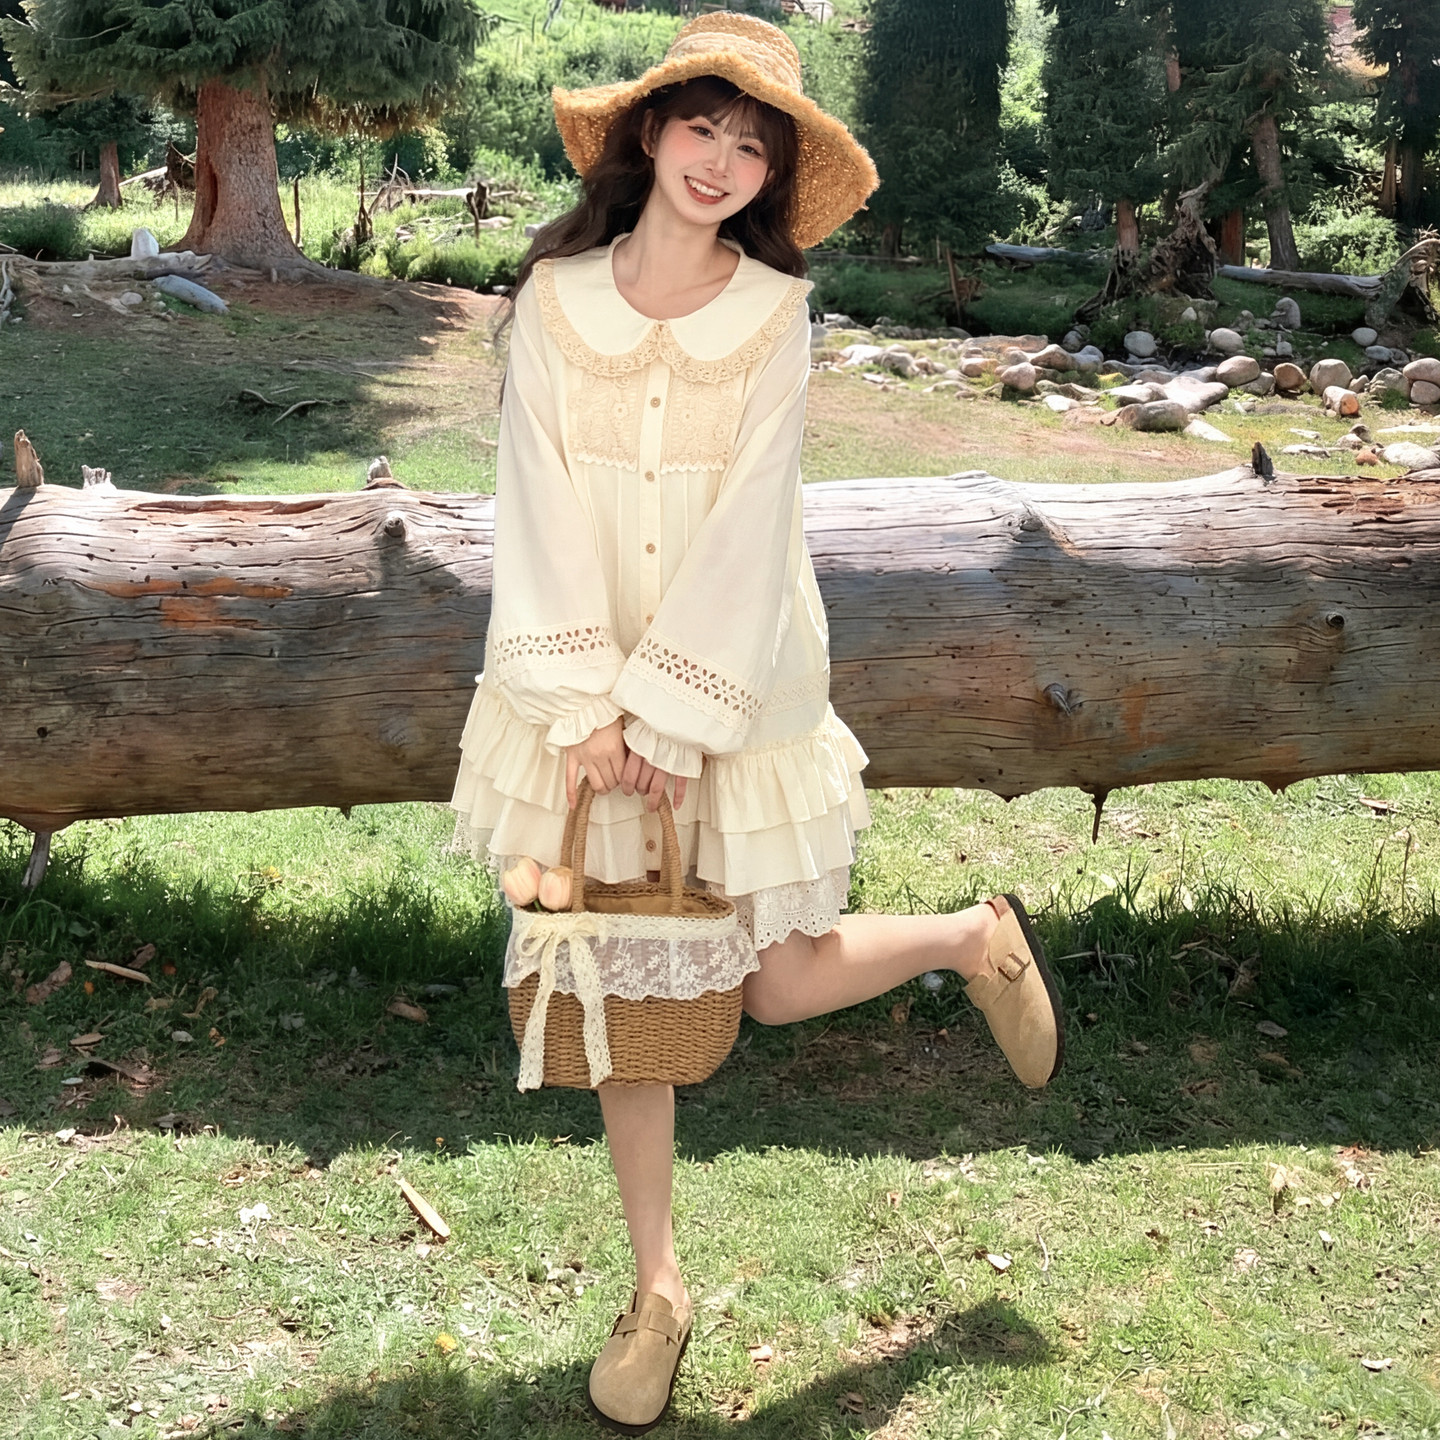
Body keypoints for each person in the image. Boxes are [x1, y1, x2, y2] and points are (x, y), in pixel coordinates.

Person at [450, 14, 1065, 1432]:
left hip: (735, 689)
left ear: (774, 172)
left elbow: (753, 519)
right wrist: (584, 706)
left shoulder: (777, 316)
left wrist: (669, 717)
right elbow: (531, 498)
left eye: (751, 144)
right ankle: (657, 1291)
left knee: (774, 983)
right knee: (622, 996)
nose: (720, 159)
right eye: (701, 127)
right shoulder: (553, 298)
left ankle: (970, 938)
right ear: (650, 132)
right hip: (577, 693)